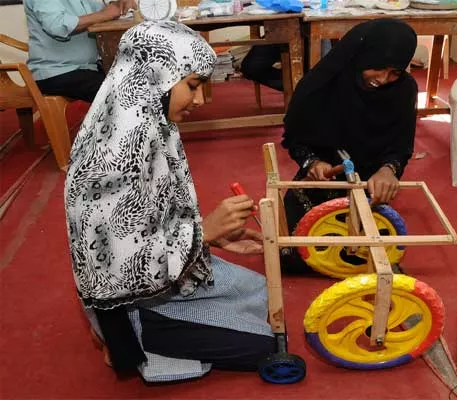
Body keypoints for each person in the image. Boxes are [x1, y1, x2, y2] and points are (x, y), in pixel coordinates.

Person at [64, 21, 274, 383]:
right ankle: (134, 340)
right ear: (156, 74)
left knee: (262, 296)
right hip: (131, 299)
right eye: (192, 86)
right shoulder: (113, 158)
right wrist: (203, 233)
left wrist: (210, 236)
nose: (199, 100)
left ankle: (166, 330)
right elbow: (122, 267)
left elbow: (154, 215)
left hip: (166, 266)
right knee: (264, 346)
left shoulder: (146, 118)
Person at [279, 19, 418, 272]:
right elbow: (295, 137)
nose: (384, 79)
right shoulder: (322, 84)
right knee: (289, 250)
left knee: (365, 250)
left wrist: (389, 169)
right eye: (378, 67)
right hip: (324, 178)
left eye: (395, 72)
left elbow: (401, 144)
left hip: (370, 181)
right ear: (362, 56)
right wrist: (312, 162)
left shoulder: (404, 89)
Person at [24, 0, 137, 102]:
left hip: (86, 68)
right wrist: (105, 14)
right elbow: (57, 26)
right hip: (57, 72)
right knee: (123, 92)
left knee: (134, 82)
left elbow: (101, 12)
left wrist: (118, 5)